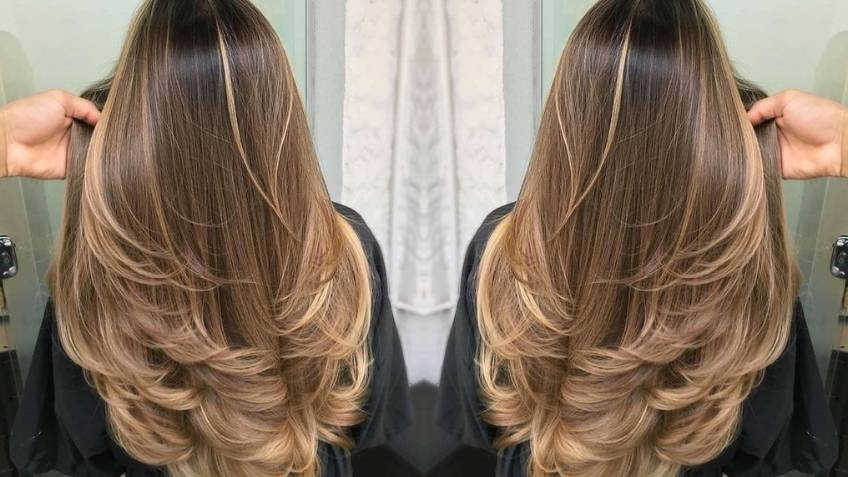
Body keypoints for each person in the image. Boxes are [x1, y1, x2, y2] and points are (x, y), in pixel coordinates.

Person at [7, 1, 411, 477]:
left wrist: (6, 142)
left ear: (136, 114)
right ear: (277, 112)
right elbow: (375, 420)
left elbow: (76, 444)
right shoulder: (343, 247)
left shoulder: (103, 264)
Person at [437, 1, 837, 476]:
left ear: (570, 111)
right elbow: (770, 445)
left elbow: (472, 421)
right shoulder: (744, 264)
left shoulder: (504, 247)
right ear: (711, 115)